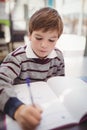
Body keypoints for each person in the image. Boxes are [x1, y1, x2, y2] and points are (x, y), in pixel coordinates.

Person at [0, 7, 65, 130]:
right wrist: (17, 108)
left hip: (51, 111)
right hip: (22, 108)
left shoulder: (58, 57)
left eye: (51, 40)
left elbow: (59, 85)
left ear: (57, 39)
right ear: (29, 35)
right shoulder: (16, 58)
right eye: (38, 38)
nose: (44, 45)